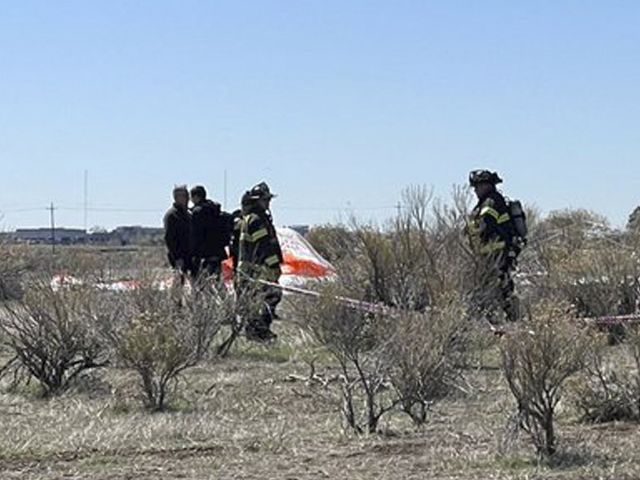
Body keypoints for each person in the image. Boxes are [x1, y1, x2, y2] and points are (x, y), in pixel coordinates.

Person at [466, 170, 520, 322]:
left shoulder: (491, 201)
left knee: (502, 286)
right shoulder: (487, 201)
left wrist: (473, 234)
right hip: (491, 253)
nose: (475, 190)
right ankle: (495, 318)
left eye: (478, 186)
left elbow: (486, 224)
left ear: (487, 185)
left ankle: (512, 319)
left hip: (498, 253)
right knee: (493, 286)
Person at [237, 182, 283, 342]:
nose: (268, 202)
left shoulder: (255, 218)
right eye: (265, 199)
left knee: (258, 300)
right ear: (257, 201)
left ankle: (256, 331)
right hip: (258, 269)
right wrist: (274, 266)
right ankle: (258, 331)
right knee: (269, 297)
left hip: (254, 269)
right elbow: (264, 245)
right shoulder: (256, 220)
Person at [190, 185, 233, 281]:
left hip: (203, 256)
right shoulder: (216, 211)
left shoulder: (197, 213)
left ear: (195, 197)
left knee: (201, 286)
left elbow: (195, 236)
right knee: (216, 284)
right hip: (218, 255)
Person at [163, 185, 193, 277]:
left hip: (190, 256)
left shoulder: (188, 214)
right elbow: (169, 238)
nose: (188, 198)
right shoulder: (172, 215)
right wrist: (177, 257)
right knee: (179, 282)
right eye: (184, 196)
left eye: (188, 195)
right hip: (179, 257)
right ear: (176, 198)